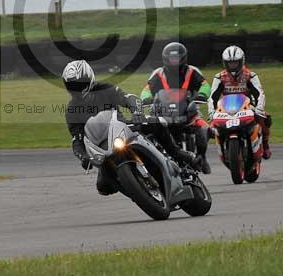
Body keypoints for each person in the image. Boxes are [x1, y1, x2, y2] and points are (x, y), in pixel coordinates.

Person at [62, 59, 140, 195]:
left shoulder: (105, 89)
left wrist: (137, 113)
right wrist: (84, 157)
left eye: (79, 84)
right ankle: (137, 193)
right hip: (105, 150)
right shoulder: (72, 110)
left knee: (155, 125)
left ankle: (178, 153)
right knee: (103, 186)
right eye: (72, 85)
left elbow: (127, 98)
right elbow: (77, 140)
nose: (77, 89)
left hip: (124, 130)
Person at [140, 42, 213, 174]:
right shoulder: (159, 73)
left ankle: (202, 157)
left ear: (183, 58)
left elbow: (205, 85)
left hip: (187, 110)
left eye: (177, 58)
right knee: (146, 130)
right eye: (171, 58)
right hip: (163, 112)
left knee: (204, 127)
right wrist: (146, 98)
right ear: (166, 58)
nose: (174, 61)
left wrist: (202, 94)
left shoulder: (192, 71)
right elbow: (147, 89)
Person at [208, 45, 272, 159]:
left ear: (241, 62)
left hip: (247, 105)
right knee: (209, 128)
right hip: (225, 107)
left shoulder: (250, 75)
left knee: (265, 119)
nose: (232, 66)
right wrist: (211, 112)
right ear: (225, 63)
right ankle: (221, 148)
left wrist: (259, 108)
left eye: (235, 63)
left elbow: (260, 93)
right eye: (229, 63)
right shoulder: (219, 77)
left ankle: (265, 146)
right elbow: (212, 97)